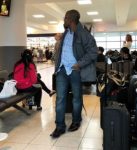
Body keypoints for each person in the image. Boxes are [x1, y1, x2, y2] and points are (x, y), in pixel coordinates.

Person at [50, 9, 97, 138]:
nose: (63, 20)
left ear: (71, 20)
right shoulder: (66, 33)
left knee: (77, 98)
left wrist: (79, 64)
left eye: (65, 18)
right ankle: (59, 126)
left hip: (75, 71)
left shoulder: (84, 34)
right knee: (60, 98)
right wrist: (59, 38)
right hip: (62, 70)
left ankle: (76, 121)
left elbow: (93, 52)